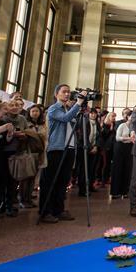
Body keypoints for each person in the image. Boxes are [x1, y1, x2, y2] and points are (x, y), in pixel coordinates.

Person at [41, 85, 84, 223]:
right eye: (64, 92)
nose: (67, 94)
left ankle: (58, 209)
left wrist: (77, 107)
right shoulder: (54, 108)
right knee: (50, 181)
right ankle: (45, 211)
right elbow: (65, 119)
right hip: (56, 148)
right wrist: (78, 104)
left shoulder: (68, 108)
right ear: (56, 94)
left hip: (69, 148)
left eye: (68, 92)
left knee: (63, 181)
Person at [110, 108, 133, 199]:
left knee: (127, 170)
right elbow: (117, 138)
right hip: (120, 148)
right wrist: (129, 138)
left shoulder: (134, 127)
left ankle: (125, 191)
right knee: (118, 169)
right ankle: (115, 192)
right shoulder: (122, 125)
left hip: (129, 148)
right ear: (128, 117)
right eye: (132, 116)